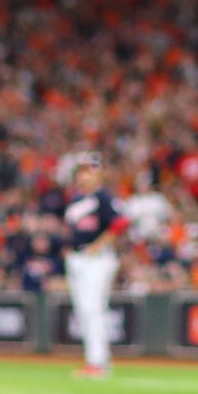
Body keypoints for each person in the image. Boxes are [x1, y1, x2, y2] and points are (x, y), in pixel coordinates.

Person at [62, 152, 129, 378]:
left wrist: (98, 245)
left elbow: (121, 223)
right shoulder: (76, 199)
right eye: (81, 171)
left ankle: (98, 362)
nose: (84, 175)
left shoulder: (103, 197)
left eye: (89, 170)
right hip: (78, 258)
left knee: (92, 309)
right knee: (84, 311)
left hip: (96, 260)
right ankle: (95, 360)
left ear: (99, 173)